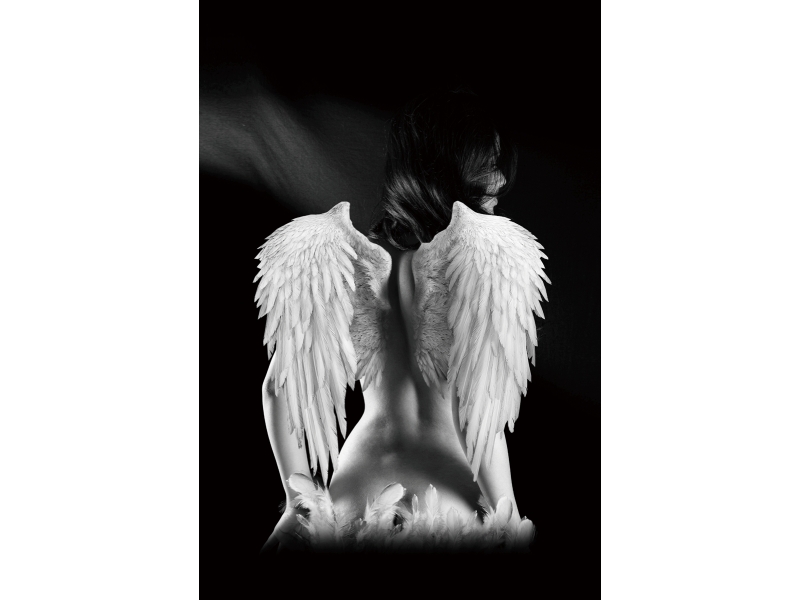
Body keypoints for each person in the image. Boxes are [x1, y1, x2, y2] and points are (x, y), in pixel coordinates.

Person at [255, 89, 549, 552]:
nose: (499, 177)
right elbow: (478, 412)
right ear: (452, 166)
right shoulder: (477, 263)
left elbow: (277, 388)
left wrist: (297, 504)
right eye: (488, 162)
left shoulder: (344, 263)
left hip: (353, 499)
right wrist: (507, 513)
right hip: (446, 502)